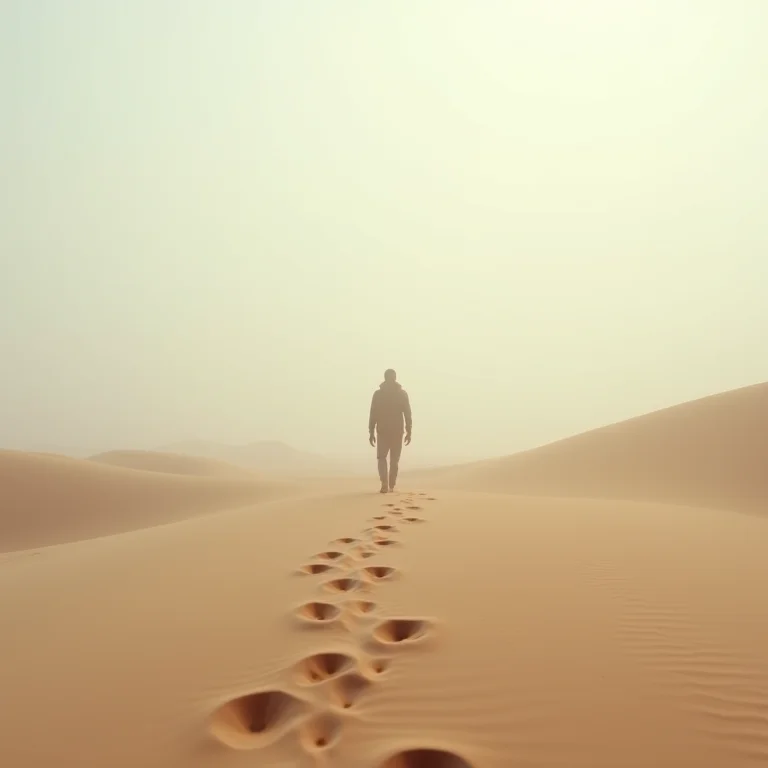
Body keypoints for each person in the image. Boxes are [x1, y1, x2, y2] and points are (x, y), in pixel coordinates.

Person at [368, 368, 412, 493]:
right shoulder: (398, 394)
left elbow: (407, 414)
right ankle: (389, 484)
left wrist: (371, 431)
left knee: (386, 458)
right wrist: (409, 430)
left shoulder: (381, 394)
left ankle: (387, 483)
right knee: (391, 459)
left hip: (386, 431)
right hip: (392, 431)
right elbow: (373, 413)